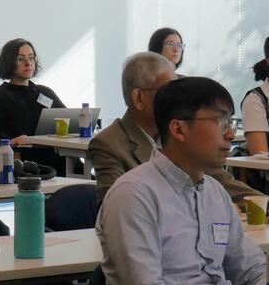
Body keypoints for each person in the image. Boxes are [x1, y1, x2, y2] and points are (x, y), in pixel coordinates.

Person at [96, 77, 266, 285]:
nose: (230, 133)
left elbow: (251, 269)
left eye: (231, 121)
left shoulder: (215, 192)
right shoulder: (134, 195)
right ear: (178, 129)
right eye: (220, 121)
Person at [89, 52, 260, 206]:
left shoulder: (181, 132)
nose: (178, 97)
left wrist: (263, 203)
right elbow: (114, 206)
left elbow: (223, 182)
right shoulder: (109, 143)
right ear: (139, 98)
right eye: (168, 89)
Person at [0, 38, 66, 172]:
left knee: (86, 175)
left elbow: (67, 119)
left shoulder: (44, 92)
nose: (28, 63)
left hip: (56, 153)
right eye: (20, 59)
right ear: (9, 62)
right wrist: (9, 141)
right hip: (25, 160)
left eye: (31, 58)